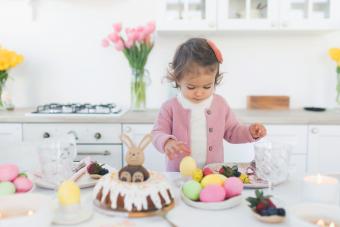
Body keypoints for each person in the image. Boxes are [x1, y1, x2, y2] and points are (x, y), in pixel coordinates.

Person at [152, 38, 267, 171]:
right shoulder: (170, 107)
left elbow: (232, 131)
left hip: (213, 173)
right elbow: (157, 132)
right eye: (191, 87)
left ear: (215, 79)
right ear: (178, 79)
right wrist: (167, 142)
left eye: (207, 86)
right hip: (179, 174)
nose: (199, 93)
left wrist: (250, 132)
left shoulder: (220, 105)